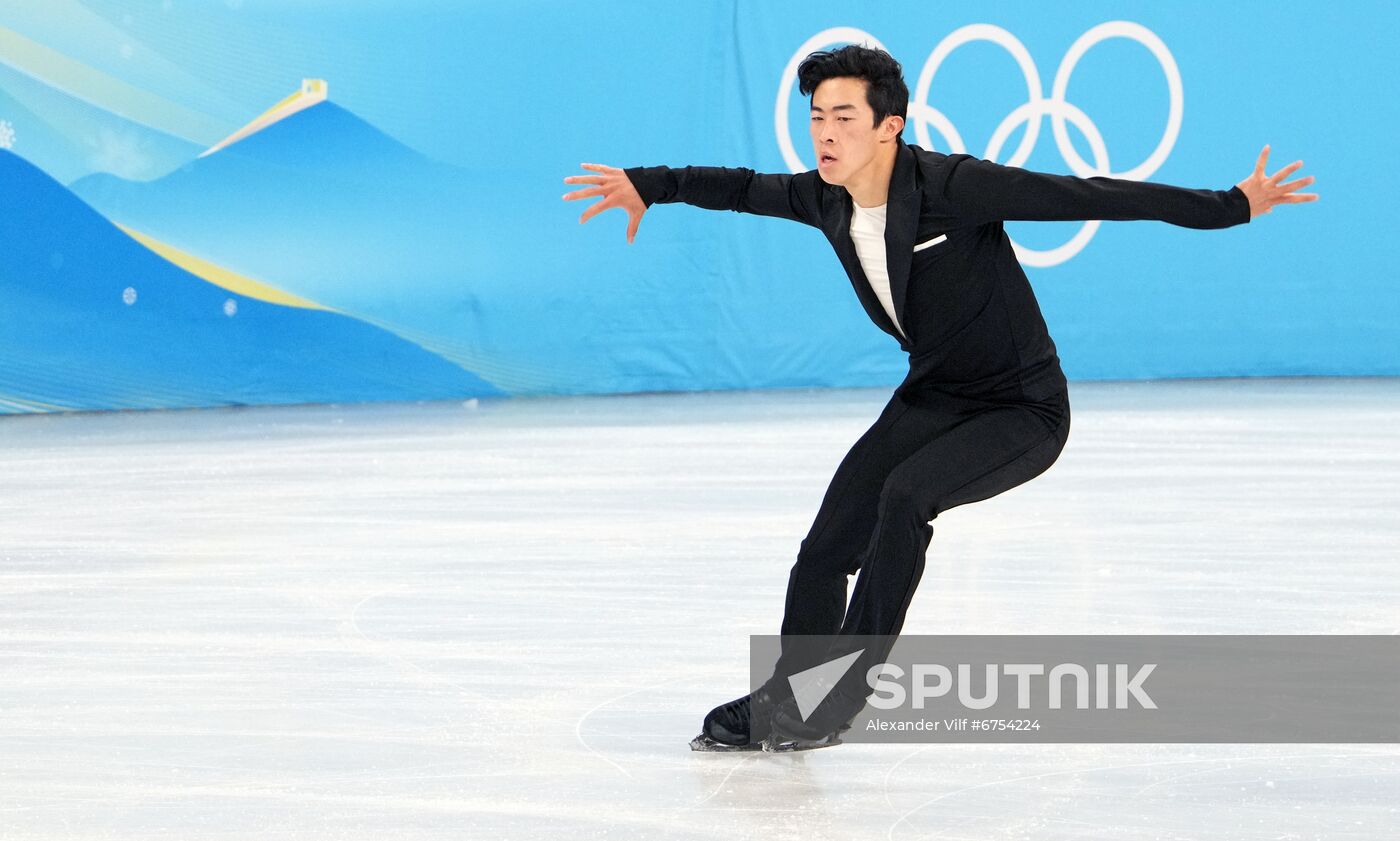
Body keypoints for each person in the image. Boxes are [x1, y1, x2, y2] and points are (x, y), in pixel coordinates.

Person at [562, 45, 1318, 752]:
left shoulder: (953, 188)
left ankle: (837, 697)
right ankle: (790, 699)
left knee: (905, 496)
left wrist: (1232, 204)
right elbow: (736, 187)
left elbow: (1090, 193)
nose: (824, 134)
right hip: (933, 395)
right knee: (827, 544)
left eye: (844, 118)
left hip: (1021, 409)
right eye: (816, 117)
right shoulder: (822, 198)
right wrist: (648, 184)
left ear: (890, 126)